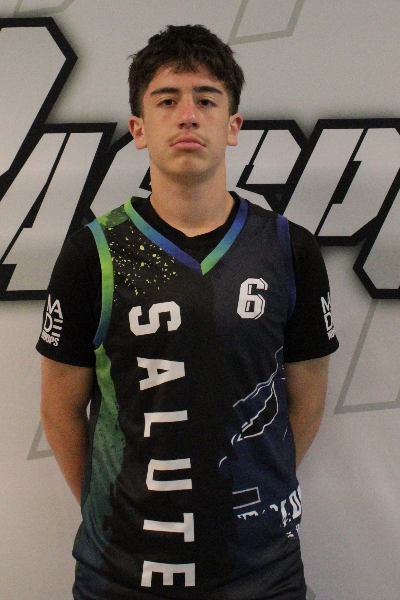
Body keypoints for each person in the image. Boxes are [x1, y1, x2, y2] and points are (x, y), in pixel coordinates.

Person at [37, 24, 338, 600]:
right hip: (123, 575)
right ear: (139, 129)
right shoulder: (93, 253)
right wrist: (118, 511)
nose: (188, 116)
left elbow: (306, 400)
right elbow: (59, 409)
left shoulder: (287, 248)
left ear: (233, 126)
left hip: (262, 573)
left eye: (206, 99)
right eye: (167, 100)